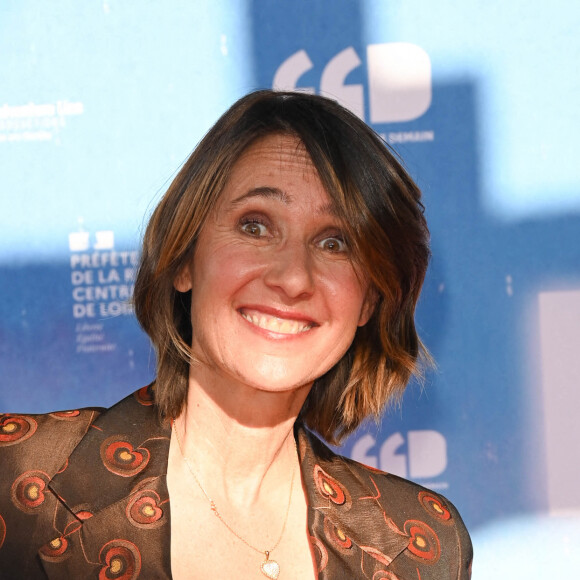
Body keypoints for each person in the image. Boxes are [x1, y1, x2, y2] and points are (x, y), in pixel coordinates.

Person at [0, 90, 472, 579]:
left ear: (370, 300)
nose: (293, 278)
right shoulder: (17, 478)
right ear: (184, 258)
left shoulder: (423, 545)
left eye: (335, 242)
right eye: (255, 227)